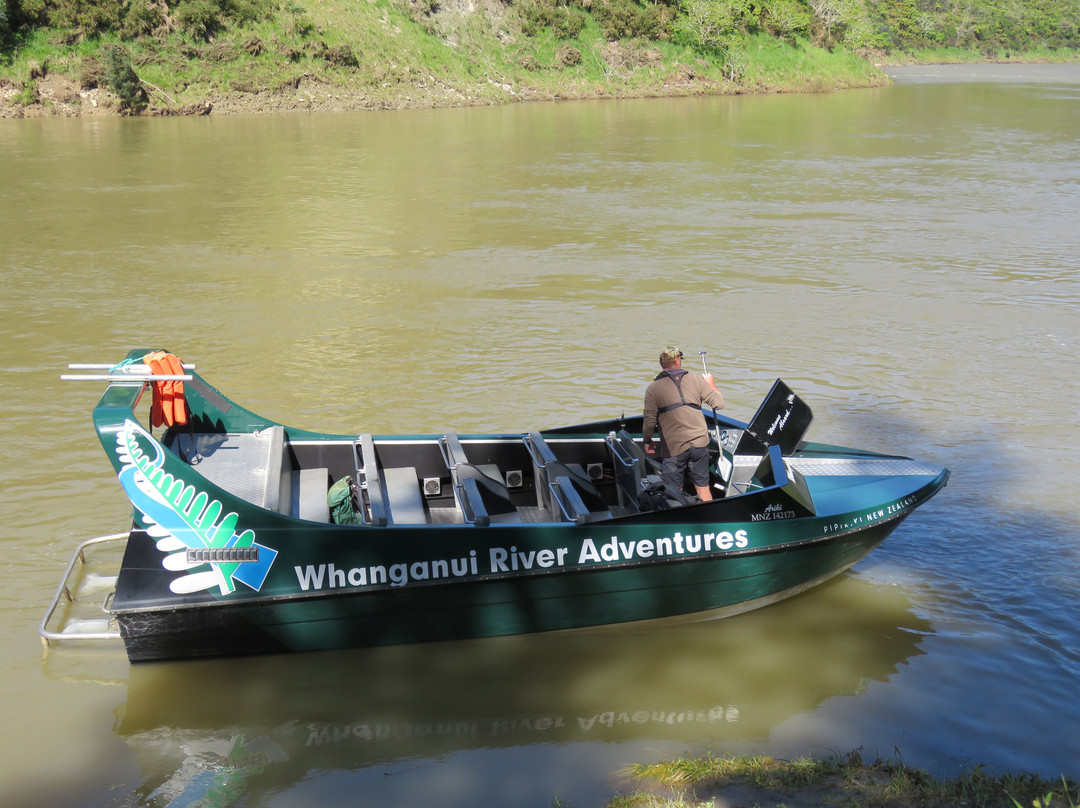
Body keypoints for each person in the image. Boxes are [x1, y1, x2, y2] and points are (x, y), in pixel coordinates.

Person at [642, 346, 725, 502]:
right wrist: (711, 384)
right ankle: (708, 513)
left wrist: (647, 440)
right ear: (677, 361)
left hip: (674, 447)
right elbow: (718, 403)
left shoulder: (653, 388)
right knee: (703, 488)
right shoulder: (695, 379)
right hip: (700, 443)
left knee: (673, 491)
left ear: (662, 363)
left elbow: (649, 420)